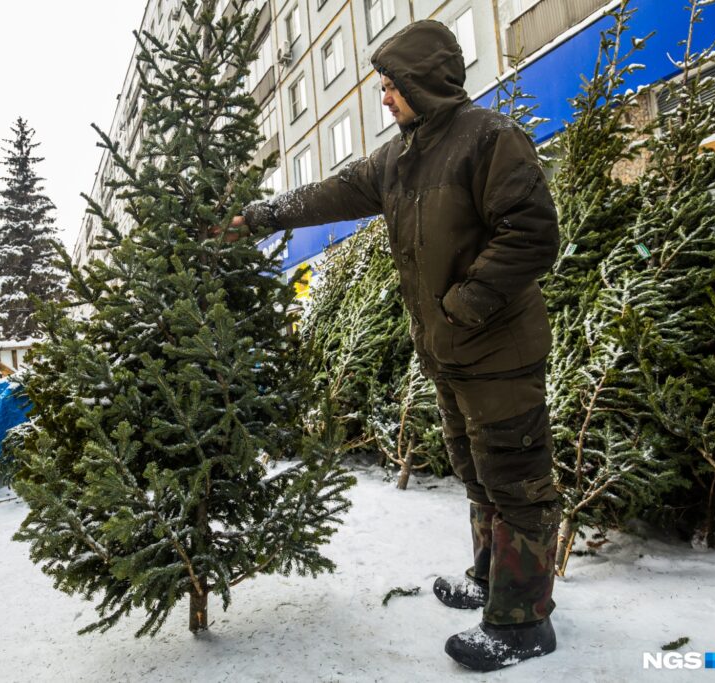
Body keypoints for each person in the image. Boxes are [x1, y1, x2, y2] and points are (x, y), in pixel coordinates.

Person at [227, 20, 562, 672]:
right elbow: (331, 193)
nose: (383, 98)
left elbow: (533, 234)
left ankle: (524, 624)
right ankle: (492, 581)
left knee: (517, 481)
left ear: (422, 82)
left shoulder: (489, 140)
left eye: (390, 86)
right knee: (479, 473)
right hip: (451, 353)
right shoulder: (400, 156)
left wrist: (463, 305)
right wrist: (262, 215)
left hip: (498, 350)